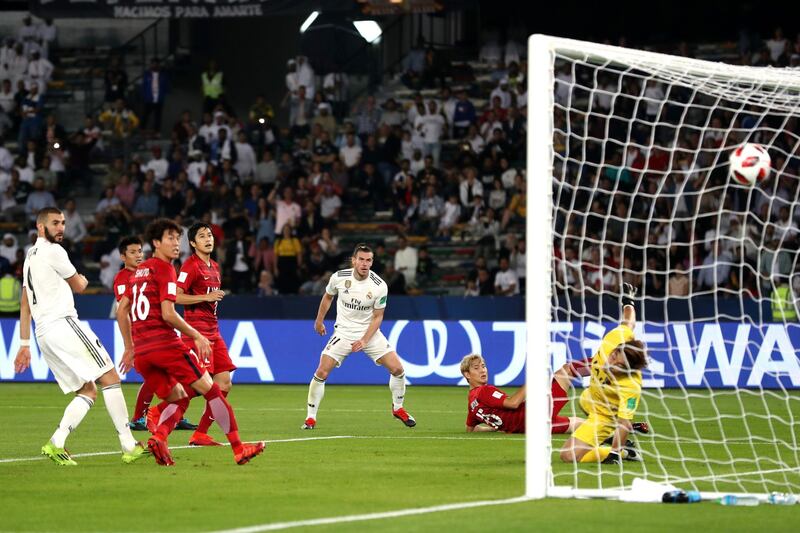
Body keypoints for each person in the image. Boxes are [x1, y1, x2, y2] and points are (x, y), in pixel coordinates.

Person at [115, 219, 264, 466]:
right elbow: (168, 313)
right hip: (167, 346)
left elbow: (122, 311)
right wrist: (196, 335)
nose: (176, 243)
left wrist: (129, 347)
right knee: (213, 391)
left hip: (143, 353)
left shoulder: (137, 274)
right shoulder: (166, 269)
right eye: (170, 238)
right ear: (155, 243)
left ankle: (160, 436)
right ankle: (238, 449)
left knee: (180, 395)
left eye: (177, 238)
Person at [13, 207, 148, 465]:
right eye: (55, 223)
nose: (61, 228)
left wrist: (24, 344)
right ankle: (129, 444)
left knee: (87, 390)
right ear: (41, 227)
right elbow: (79, 286)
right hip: (63, 324)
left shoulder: (30, 256)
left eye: (63, 223)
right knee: (110, 377)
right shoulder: (54, 251)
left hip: (44, 334)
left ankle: (56, 443)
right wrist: (82, 279)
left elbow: (24, 303)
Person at [302, 243, 416, 429]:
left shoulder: (379, 286)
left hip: (369, 333)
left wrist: (364, 340)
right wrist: (319, 321)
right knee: (322, 371)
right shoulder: (339, 278)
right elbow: (328, 297)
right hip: (343, 333)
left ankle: (398, 408)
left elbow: (378, 317)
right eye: (361, 259)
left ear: (372, 262)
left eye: (368, 260)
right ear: (354, 261)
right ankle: (310, 418)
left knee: (397, 369)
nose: (364, 263)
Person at [114, 236, 196, 432]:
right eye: (133, 252)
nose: (138, 255)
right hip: (141, 332)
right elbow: (125, 309)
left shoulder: (150, 271)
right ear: (122, 256)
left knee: (169, 374)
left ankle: (172, 414)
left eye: (140, 251)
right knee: (154, 377)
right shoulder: (122, 278)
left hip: (160, 329)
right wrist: (130, 345)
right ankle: (139, 418)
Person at [560, 283, 648, 464]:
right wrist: (629, 301)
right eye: (615, 355)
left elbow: (624, 422)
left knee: (567, 456)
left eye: (618, 365)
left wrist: (615, 453)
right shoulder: (615, 337)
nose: (611, 362)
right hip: (590, 398)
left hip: (605, 415)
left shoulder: (631, 385)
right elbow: (628, 322)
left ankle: (626, 452)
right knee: (583, 401)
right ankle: (608, 436)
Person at [175, 223, 235, 446]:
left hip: (214, 331)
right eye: (202, 236)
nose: (208, 239)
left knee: (224, 382)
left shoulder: (215, 267)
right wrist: (205, 298)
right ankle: (160, 412)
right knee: (199, 385)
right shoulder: (190, 266)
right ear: (193, 243)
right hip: (196, 332)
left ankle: (200, 433)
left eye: (209, 235)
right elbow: (176, 297)